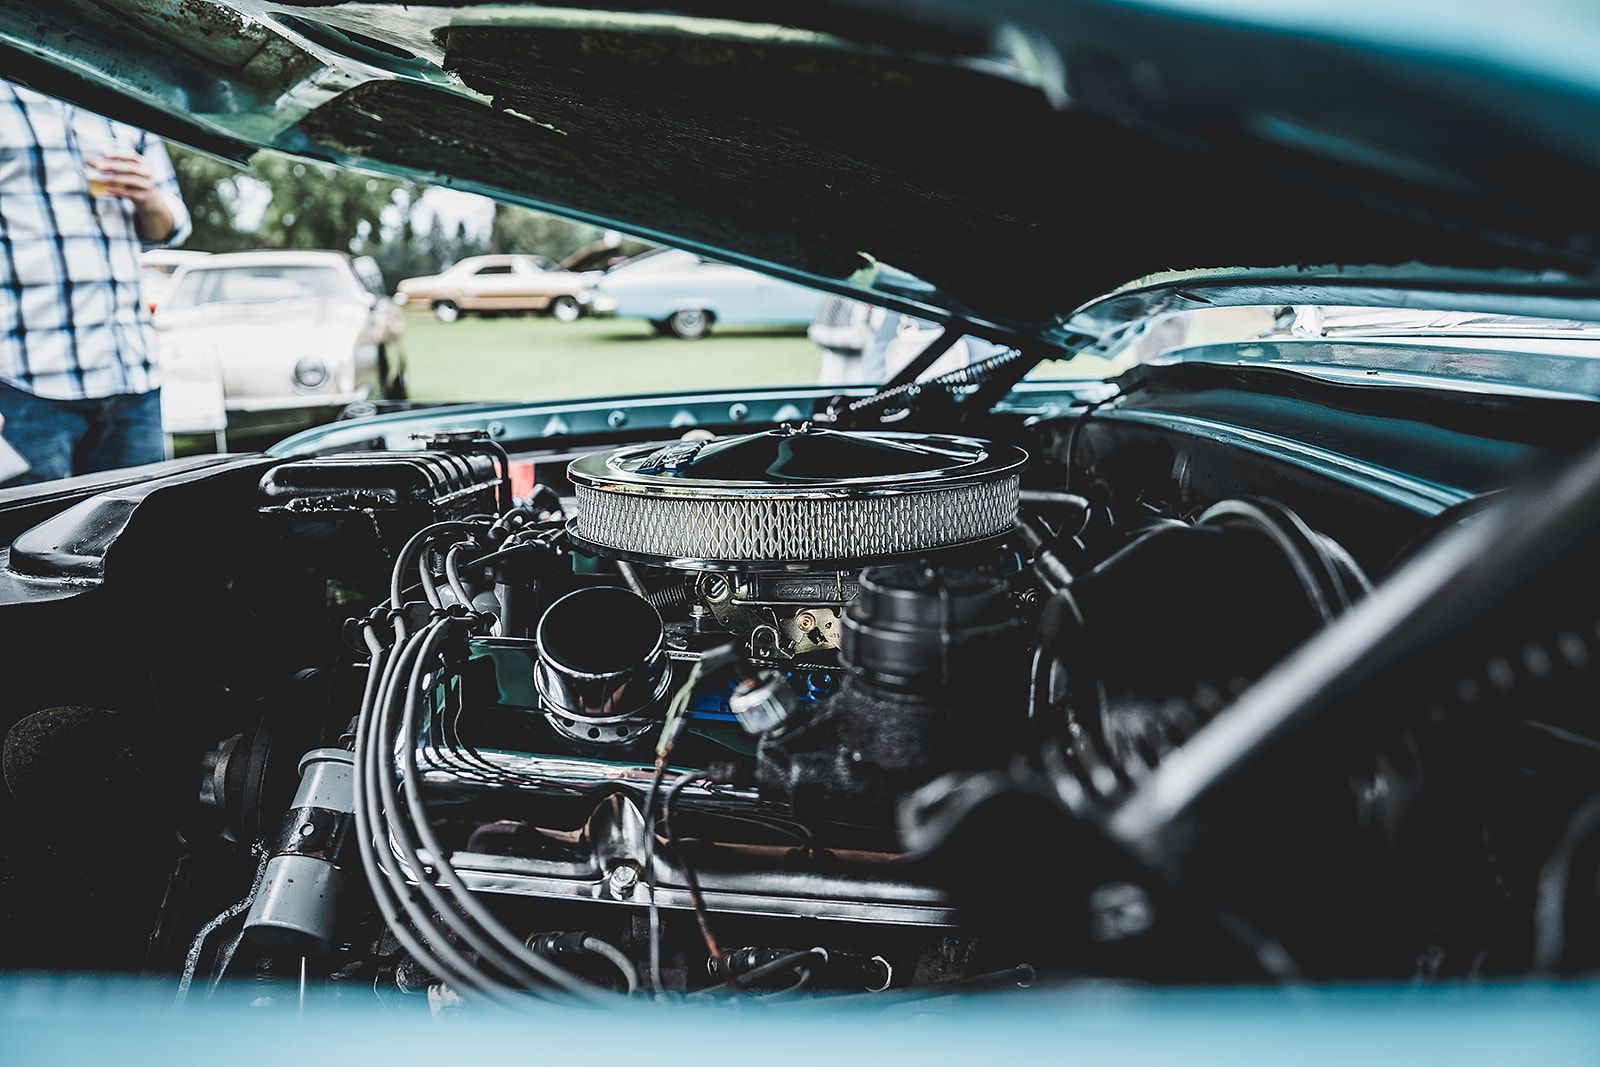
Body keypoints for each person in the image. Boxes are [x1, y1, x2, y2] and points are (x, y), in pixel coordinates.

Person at [0, 79, 191, 485]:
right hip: (25, 385)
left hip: (133, 379)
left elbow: (171, 225)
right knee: (26, 541)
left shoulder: (122, 88)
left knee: (138, 541)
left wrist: (151, 200)